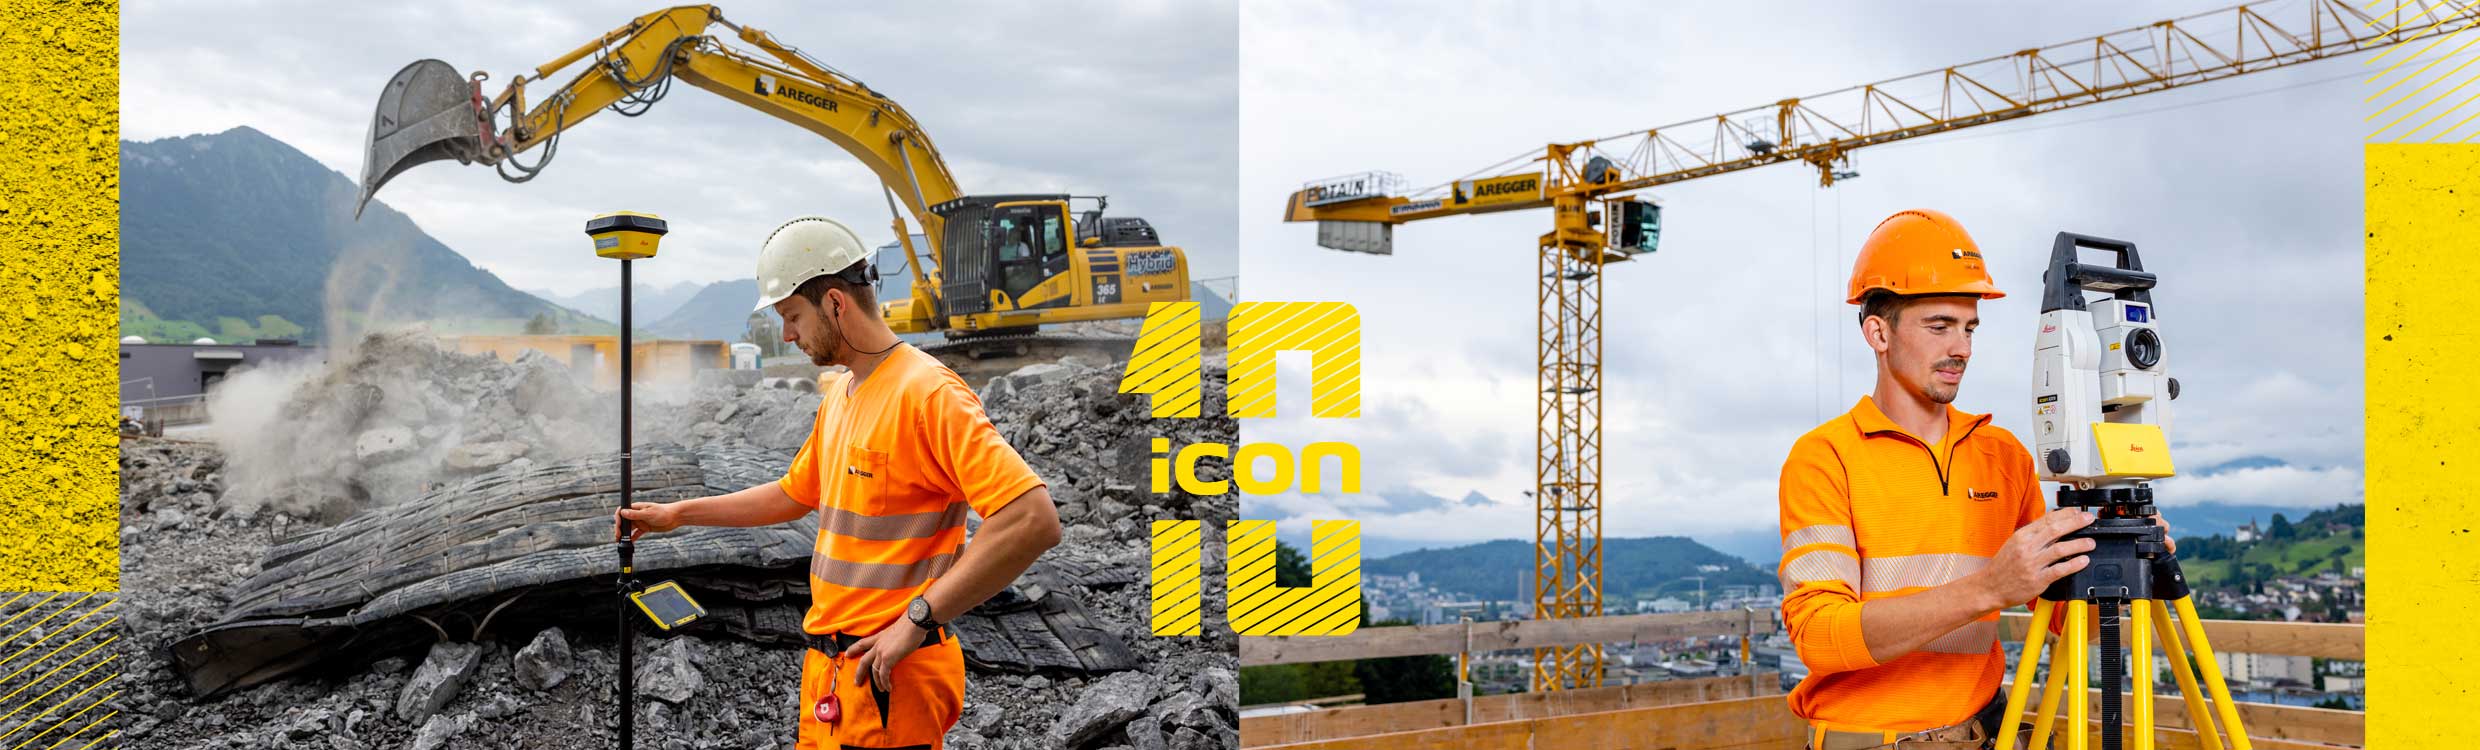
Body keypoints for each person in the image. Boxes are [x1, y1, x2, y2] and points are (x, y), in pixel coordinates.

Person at [618, 216, 1062, 749]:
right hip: (833, 673)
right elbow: (793, 494)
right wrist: (679, 514)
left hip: (891, 679)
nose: (786, 334)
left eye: (792, 317)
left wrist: (917, 618)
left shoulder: (927, 394)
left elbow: (1032, 519)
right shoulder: (843, 394)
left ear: (834, 303)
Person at [1778, 208, 2139, 749]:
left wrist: (2122, 566)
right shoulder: (1825, 457)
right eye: (1939, 326)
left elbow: (2069, 624)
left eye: (1969, 327)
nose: (1962, 348)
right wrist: (1989, 588)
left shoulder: (2003, 454)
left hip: (1980, 734)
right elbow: (1821, 638)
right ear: (1878, 332)